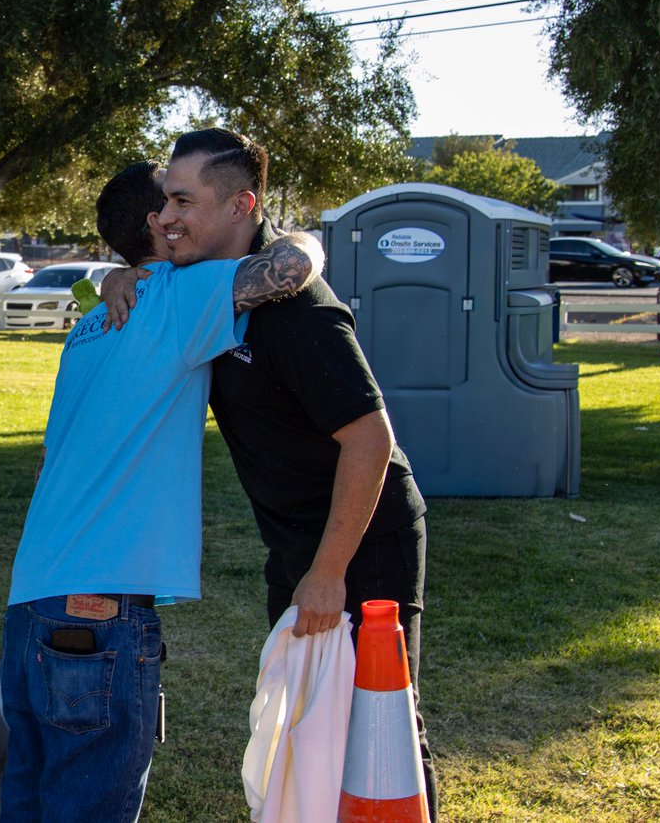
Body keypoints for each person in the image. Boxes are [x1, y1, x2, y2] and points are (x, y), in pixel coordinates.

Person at [101, 129, 437, 820]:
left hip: (361, 540)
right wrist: (115, 274)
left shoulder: (297, 311)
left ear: (241, 206)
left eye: (183, 200)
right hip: (294, 542)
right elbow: (135, 276)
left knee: (381, 717)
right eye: (165, 200)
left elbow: (371, 440)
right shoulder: (205, 286)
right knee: (313, 713)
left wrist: (330, 571)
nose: (165, 216)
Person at [0, 160, 323, 822]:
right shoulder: (181, 292)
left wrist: (116, 274)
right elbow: (290, 268)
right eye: (178, 201)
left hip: (32, 596)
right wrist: (309, 239)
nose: (186, 214)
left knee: (31, 804)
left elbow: (49, 459)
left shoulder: (94, 321)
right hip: (99, 605)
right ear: (158, 223)